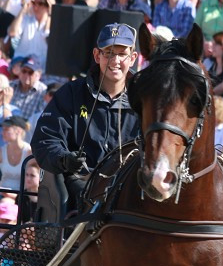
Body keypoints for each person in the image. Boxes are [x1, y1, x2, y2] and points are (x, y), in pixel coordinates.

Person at [30, 34, 142, 204]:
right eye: (109, 53)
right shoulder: (71, 93)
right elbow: (45, 139)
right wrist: (64, 159)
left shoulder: (144, 98)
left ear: (133, 58)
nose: (115, 60)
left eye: (122, 54)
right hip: (79, 190)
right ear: (97, 55)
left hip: (131, 192)